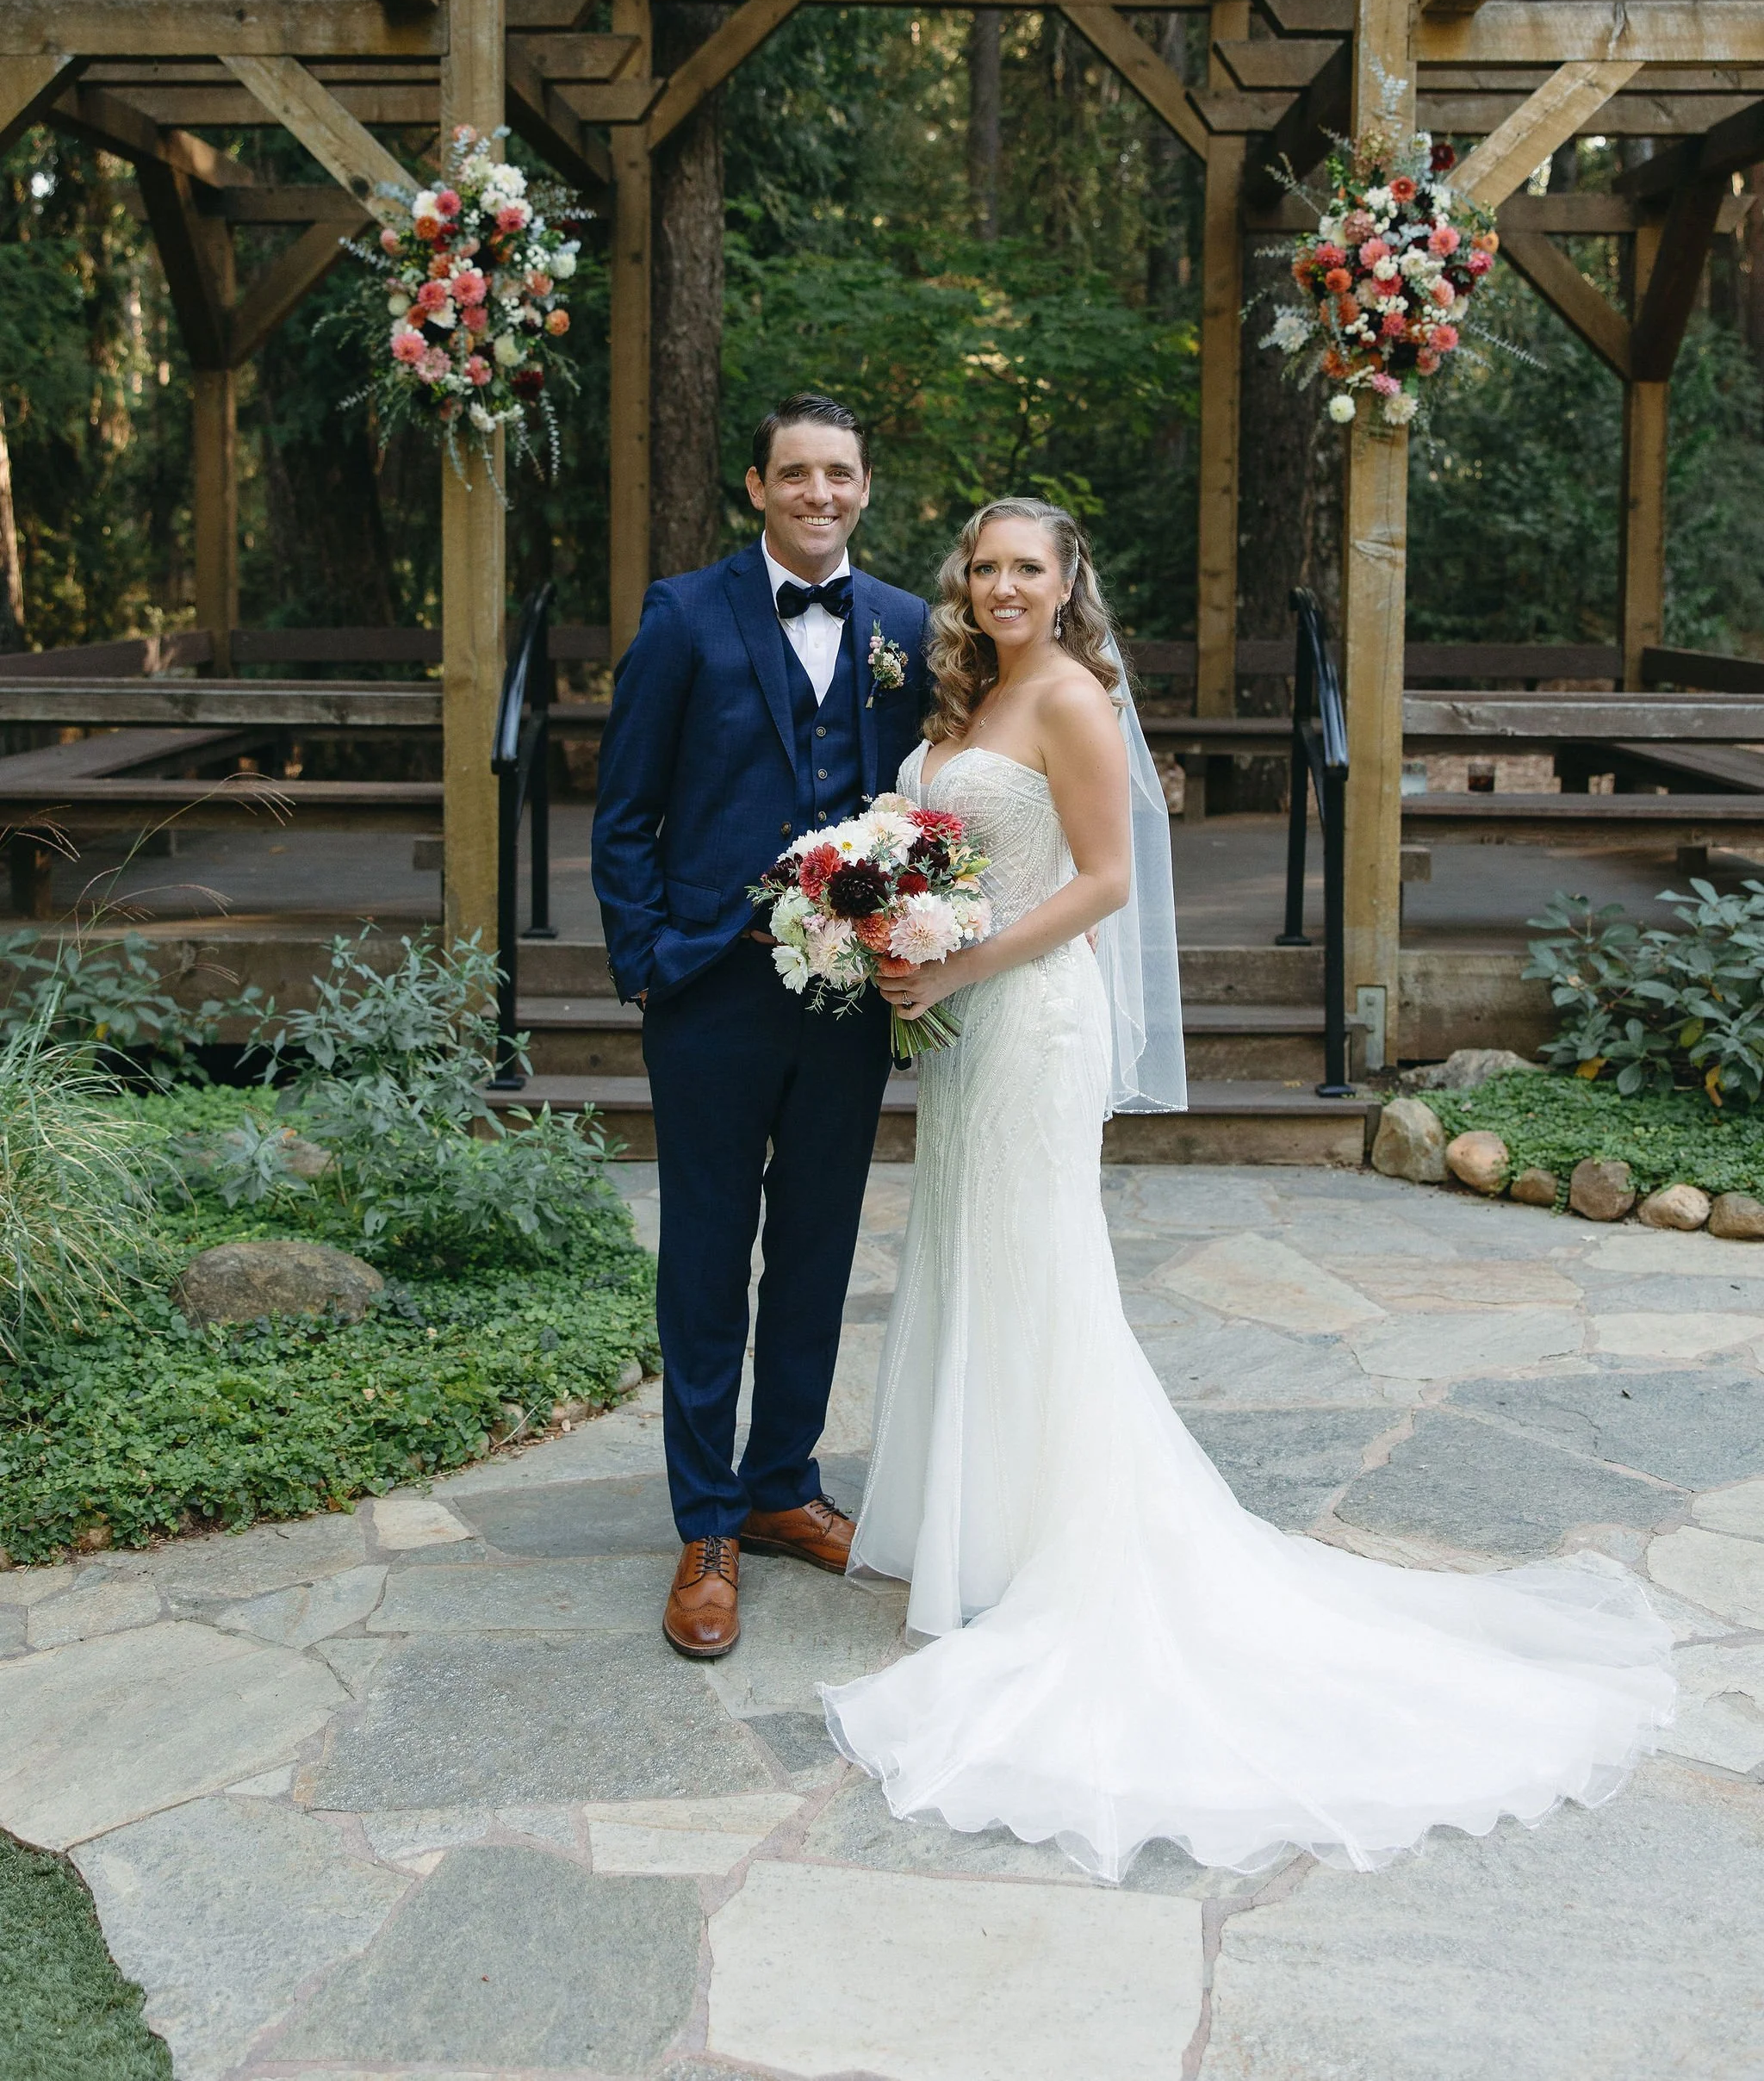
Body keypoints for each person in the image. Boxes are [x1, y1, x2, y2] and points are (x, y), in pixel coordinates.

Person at [822, 495, 1675, 1881]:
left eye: (1026, 566)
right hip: (971, 1030)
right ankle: (979, 1533)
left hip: (1032, 1018)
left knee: (1041, 1267)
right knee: (973, 1257)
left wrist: (962, 962)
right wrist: (900, 932)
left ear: (1067, 579)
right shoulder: (972, 697)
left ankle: (1067, 1546)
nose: (1000, 586)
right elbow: (950, 856)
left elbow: (1104, 880)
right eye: (983, 566)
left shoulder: (1076, 704)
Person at [593, 393, 931, 1661]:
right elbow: (625, 808)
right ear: (756, 488)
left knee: (819, 1248)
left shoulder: (904, 624)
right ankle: (708, 1523)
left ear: (864, 485)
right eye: (795, 475)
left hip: (846, 1002)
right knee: (706, 1257)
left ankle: (786, 1484)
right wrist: (649, 967)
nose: (818, 494)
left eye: (839, 474)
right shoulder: (684, 615)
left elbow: (924, 799)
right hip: (711, 993)